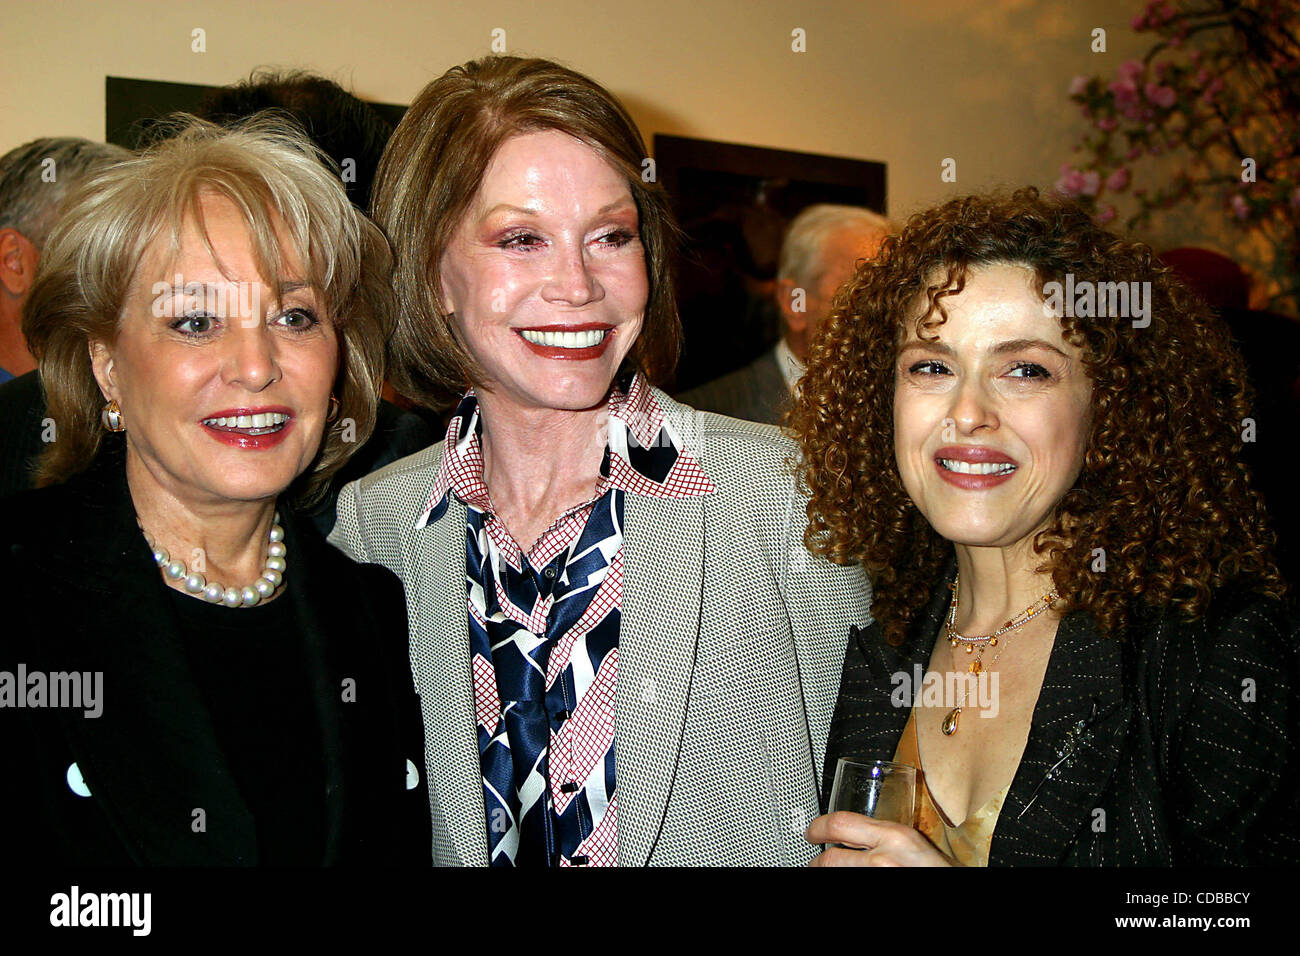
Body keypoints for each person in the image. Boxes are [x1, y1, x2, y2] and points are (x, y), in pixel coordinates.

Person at [328, 55, 872, 867]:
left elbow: (877, 788)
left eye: (610, 236)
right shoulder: (375, 527)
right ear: (435, 272)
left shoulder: (783, 493)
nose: (578, 285)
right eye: (522, 239)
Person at [790, 188, 1298, 866]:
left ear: (1110, 409)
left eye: (1025, 370)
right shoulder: (883, 633)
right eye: (931, 367)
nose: (968, 411)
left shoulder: (1212, 653)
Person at [0, 115, 430, 865]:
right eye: (195, 321)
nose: (257, 365)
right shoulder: (16, 593)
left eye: (294, 316)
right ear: (107, 366)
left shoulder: (374, 611)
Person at [678, 204, 890, 424]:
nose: (884, 312)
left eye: (891, 294)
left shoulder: (895, 408)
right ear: (793, 303)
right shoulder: (699, 419)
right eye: (861, 293)